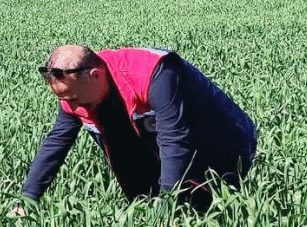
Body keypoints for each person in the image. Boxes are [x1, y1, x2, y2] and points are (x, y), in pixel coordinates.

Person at [18, 45, 257, 213]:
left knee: (216, 210)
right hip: (159, 150)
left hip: (222, 143)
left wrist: (167, 203)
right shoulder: (77, 92)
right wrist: (27, 200)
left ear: (95, 75)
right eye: (63, 99)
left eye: (72, 98)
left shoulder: (153, 72)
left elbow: (175, 140)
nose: (69, 106)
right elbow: (56, 144)